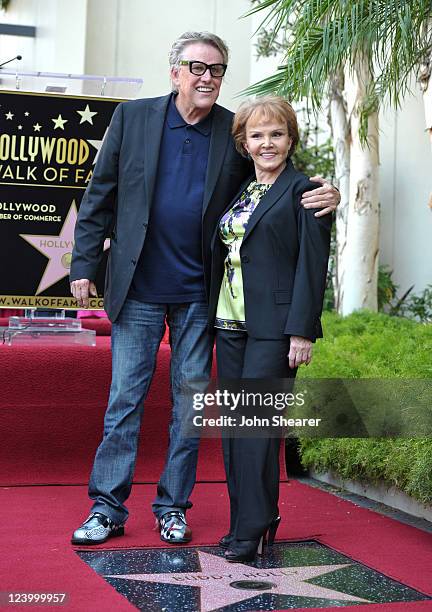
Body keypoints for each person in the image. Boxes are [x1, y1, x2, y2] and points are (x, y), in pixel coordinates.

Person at [70, 32, 340, 546]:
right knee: (124, 401)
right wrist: (85, 261)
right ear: (175, 72)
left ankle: (173, 506)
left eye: (216, 70)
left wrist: (326, 191)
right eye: (196, 67)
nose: (206, 77)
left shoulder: (233, 131)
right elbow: (99, 192)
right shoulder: (133, 118)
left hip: (201, 296)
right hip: (138, 291)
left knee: (189, 406)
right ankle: (107, 507)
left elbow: (274, 179)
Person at [208, 96, 332, 562]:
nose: (267, 143)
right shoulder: (243, 190)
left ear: (291, 139)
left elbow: (311, 266)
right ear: (244, 143)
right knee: (236, 431)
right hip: (229, 324)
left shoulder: (305, 191)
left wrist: (301, 331)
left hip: (274, 329)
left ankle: (254, 526)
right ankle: (248, 521)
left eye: (276, 134)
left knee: (258, 430)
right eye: (257, 136)